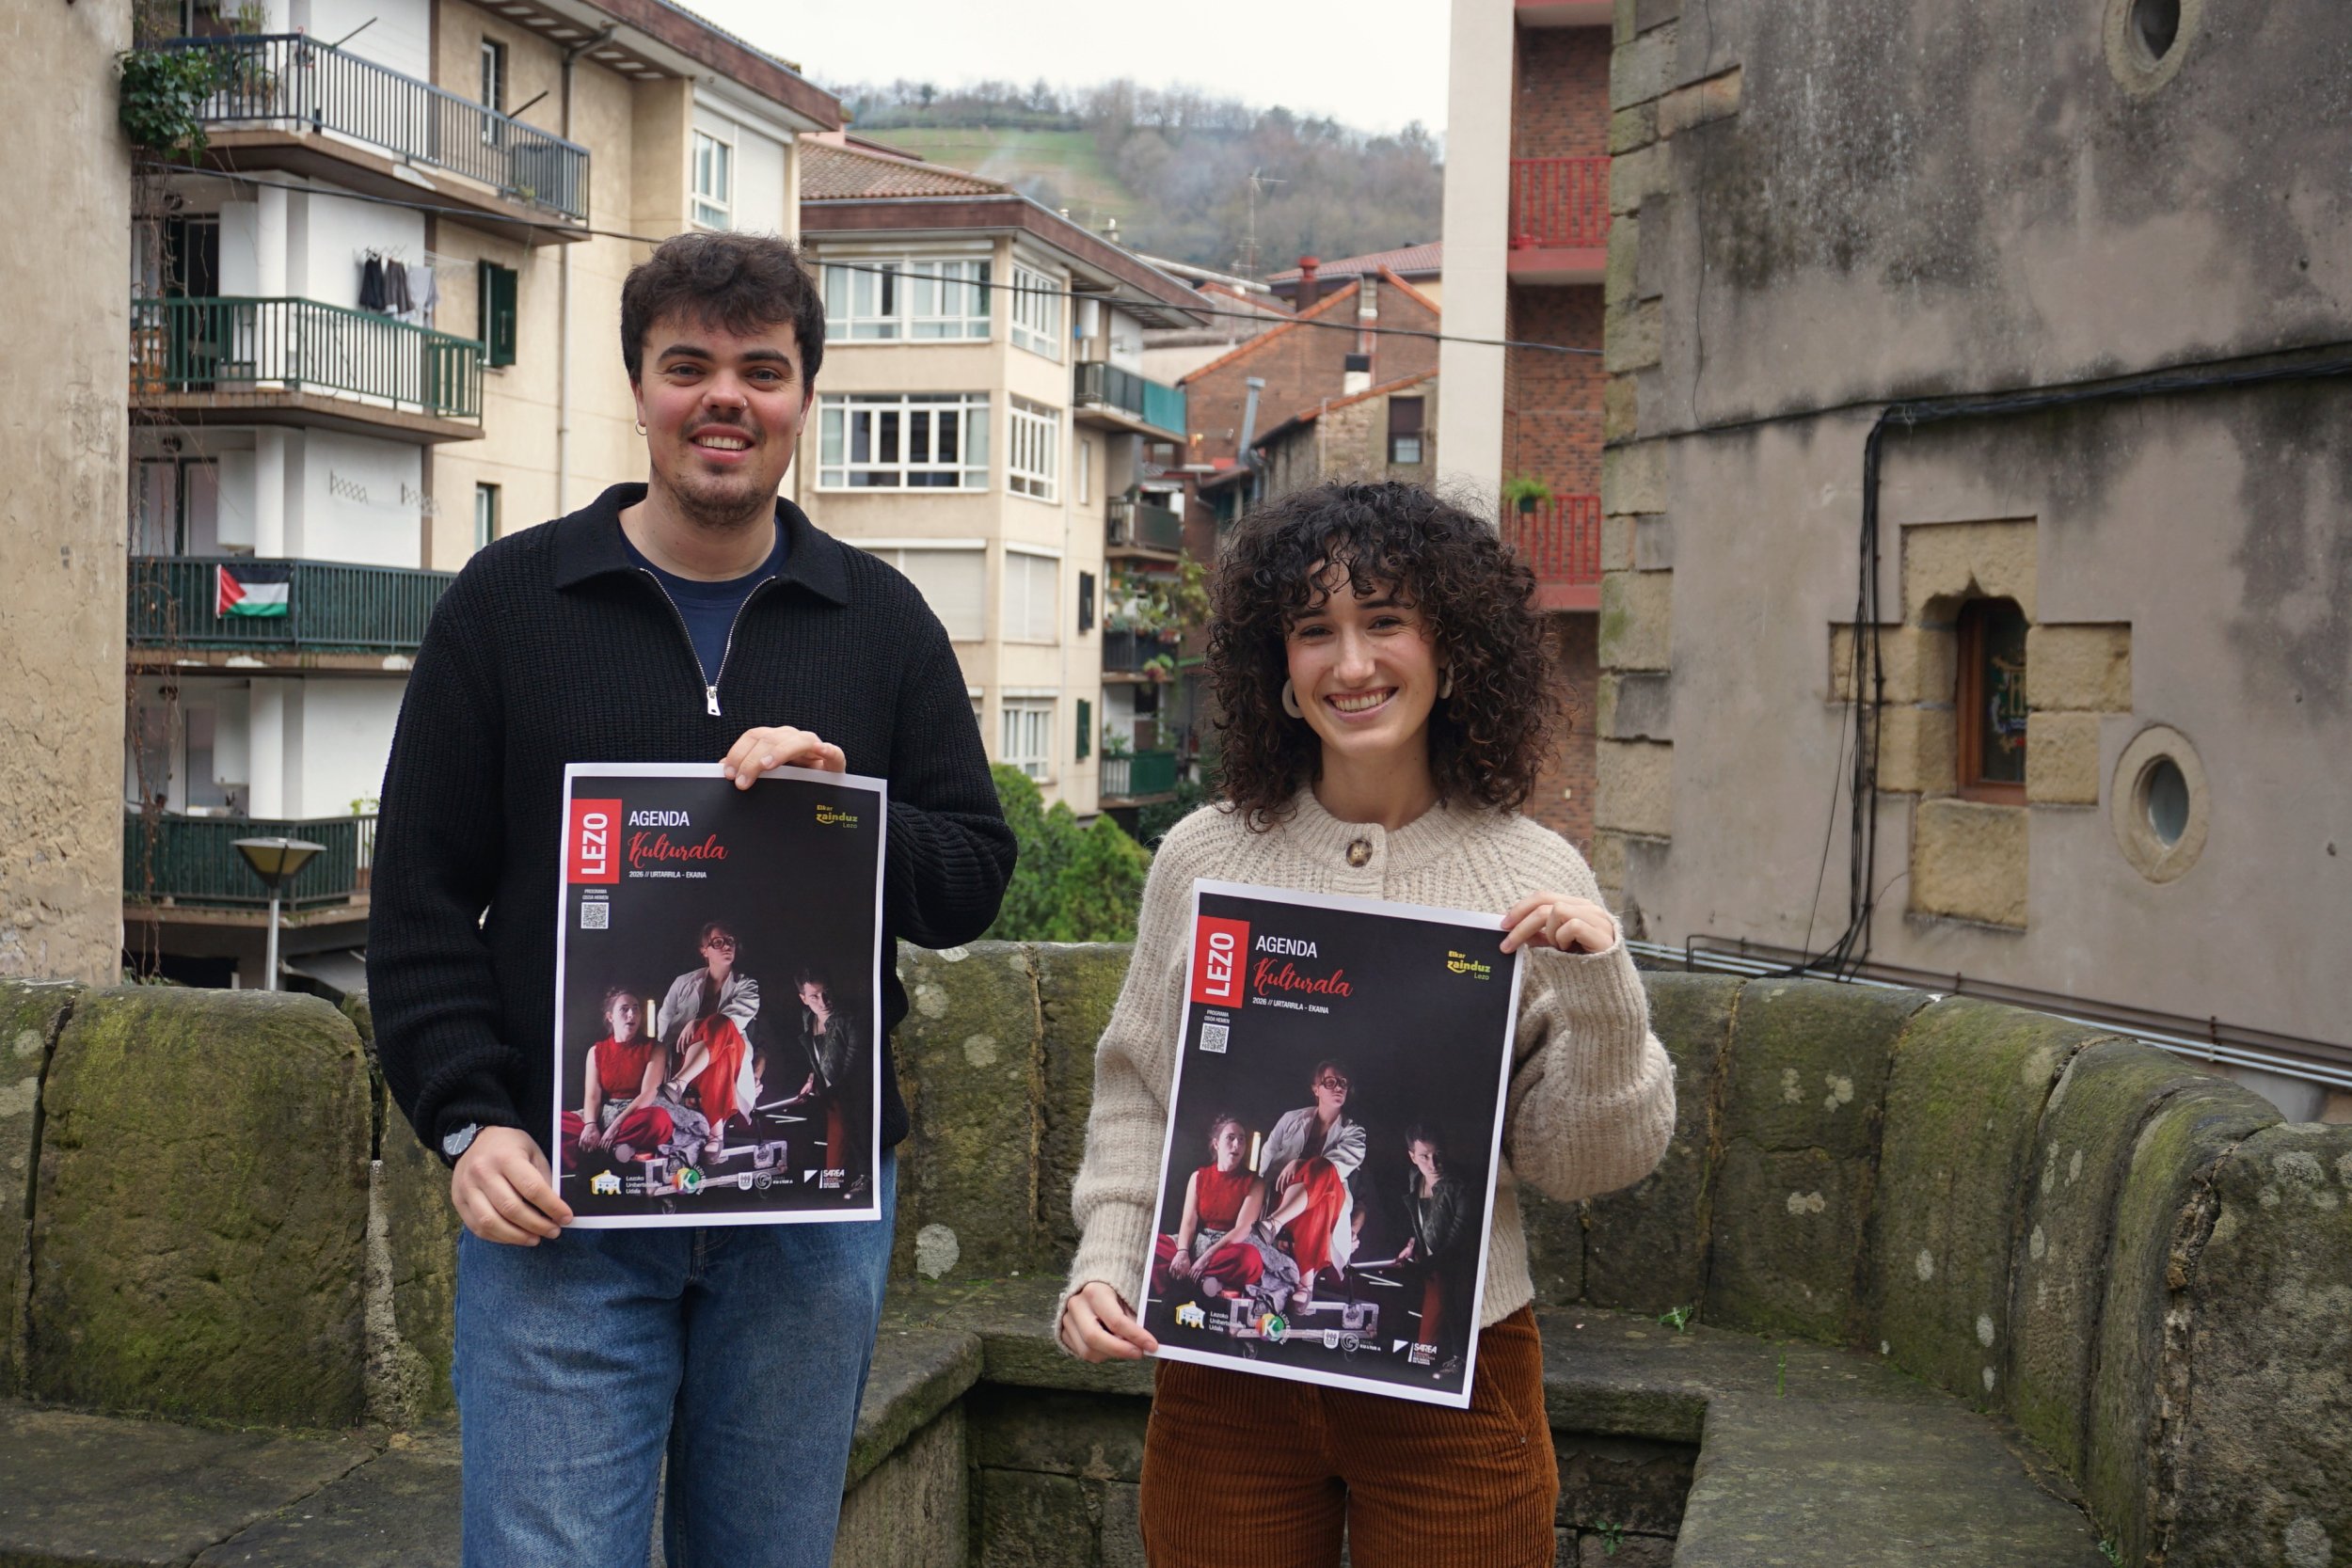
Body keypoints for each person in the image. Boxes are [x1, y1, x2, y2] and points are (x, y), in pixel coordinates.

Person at [367, 230, 1013, 1568]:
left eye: (761, 370)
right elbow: (419, 898)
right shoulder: (507, 604)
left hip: (805, 1218)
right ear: (641, 388)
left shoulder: (884, 620)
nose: (726, 397)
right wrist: (466, 1117)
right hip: (560, 1201)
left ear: (803, 396)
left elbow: (970, 880)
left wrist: (849, 820)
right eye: (689, 366)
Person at [1056, 481, 1677, 1568]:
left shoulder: (1534, 872)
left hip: (1457, 1371)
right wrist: (1106, 1257)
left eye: (1384, 620)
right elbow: (1140, 1092)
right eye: (1314, 630)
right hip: (1226, 1371)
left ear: (1452, 648)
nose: (1350, 663)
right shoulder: (1200, 857)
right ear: (1277, 667)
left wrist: (1603, 996)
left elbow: (1582, 1161)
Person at [1253, 1061, 1367, 1311]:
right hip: (1281, 1197)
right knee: (1318, 1198)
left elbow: (1336, 1167)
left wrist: (1300, 1162)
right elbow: (1266, 1162)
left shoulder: (1355, 1133)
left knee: (1324, 1172)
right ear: (1316, 1089)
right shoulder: (1290, 1119)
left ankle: (1274, 1224)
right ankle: (1307, 1284)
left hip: (1325, 1207)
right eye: (1330, 1082)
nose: (1338, 1087)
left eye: (1343, 1083)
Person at [1152, 1113, 1265, 1301]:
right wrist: (1182, 1252)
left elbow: (1242, 1229)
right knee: (1154, 1244)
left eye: (1242, 1139)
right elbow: (1189, 1222)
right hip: (1200, 1242)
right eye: (1230, 1138)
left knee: (1249, 1260)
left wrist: (1206, 1258)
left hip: (1230, 1246)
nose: (1237, 1144)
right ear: (1216, 1143)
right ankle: (1205, 1281)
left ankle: (1186, 1278)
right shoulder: (1198, 1177)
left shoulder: (1255, 1182)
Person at [560, 986, 670, 1168]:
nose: (631, 1014)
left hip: (638, 1112)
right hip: (606, 1113)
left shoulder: (655, 1048)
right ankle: (613, 1148)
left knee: (658, 1121)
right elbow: (592, 1096)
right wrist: (590, 1125)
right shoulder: (596, 1051)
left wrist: (615, 1127)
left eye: (635, 1009)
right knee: (559, 1122)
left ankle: (596, 1149)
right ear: (610, 1017)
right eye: (624, 1009)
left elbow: (648, 1093)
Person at [1393, 1123, 1472, 1377]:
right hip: (1428, 1268)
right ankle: (1422, 1369)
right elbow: (1420, 1223)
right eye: (1424, 1156)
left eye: (1438, 1154)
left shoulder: (1459, 1187)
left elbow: (1457, 1239)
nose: (1433, 1163)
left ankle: (1447, 1366)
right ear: (1412, 1157)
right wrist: (1411, 1246)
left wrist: (1428, 1264)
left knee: (1447, 1323)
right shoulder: (1415, 1178)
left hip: (1453, 1270)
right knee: (1424, 1336)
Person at [786, 966, 865, 1174]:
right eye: (814, 997)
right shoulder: (808, 1018)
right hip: (828, 1102)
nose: (823, 1001)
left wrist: (831, 1092)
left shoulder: (848, 1019)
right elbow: (817, 1057)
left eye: (826, 992)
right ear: (803, 999)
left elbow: (853, 1066)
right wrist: (812, 1080)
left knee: (842, 1164)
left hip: (851, 1102)